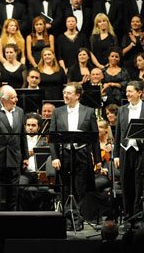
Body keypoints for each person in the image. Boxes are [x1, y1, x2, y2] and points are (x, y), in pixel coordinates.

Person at [49, 82, 101, 230]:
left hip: (82, 154)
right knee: (65, 189)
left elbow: (95, 138)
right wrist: (54, 157)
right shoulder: (57, 111)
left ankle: (77, 221)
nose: (65, 95)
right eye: (64, 92)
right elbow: (52, 137)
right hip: (64, 154)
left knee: (80, 189)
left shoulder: (89, 111)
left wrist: (97, 160)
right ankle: (66, 221)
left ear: (77, 95)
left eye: (69, 93)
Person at [113, 80, 144, 229]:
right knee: (126, 185)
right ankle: (127, 217)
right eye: (126, 91)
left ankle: (138, 217)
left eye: (130, 91)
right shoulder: (122, 110)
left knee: (139, 186)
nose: (127, 94)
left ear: (140, 92)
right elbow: (118, 134)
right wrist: (117, 155)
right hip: (126, 151)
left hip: (142, 152)